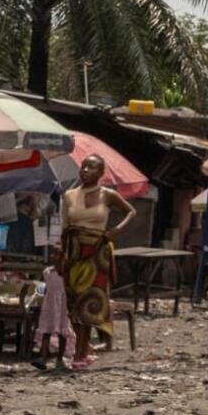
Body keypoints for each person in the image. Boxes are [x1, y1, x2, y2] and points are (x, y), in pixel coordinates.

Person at [57, 155, 135, 371]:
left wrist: (116, 231)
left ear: (101, 173)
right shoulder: (69, 195)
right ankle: (85, 348)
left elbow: (131, 211)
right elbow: (64, 227)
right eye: (83, 166)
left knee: (89, 303)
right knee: (73, 304)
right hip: (74, 253)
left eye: (91, 167)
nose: (85, 170)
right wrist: (60, 254)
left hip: (97, 253)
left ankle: (80, 354)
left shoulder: (108, 195)